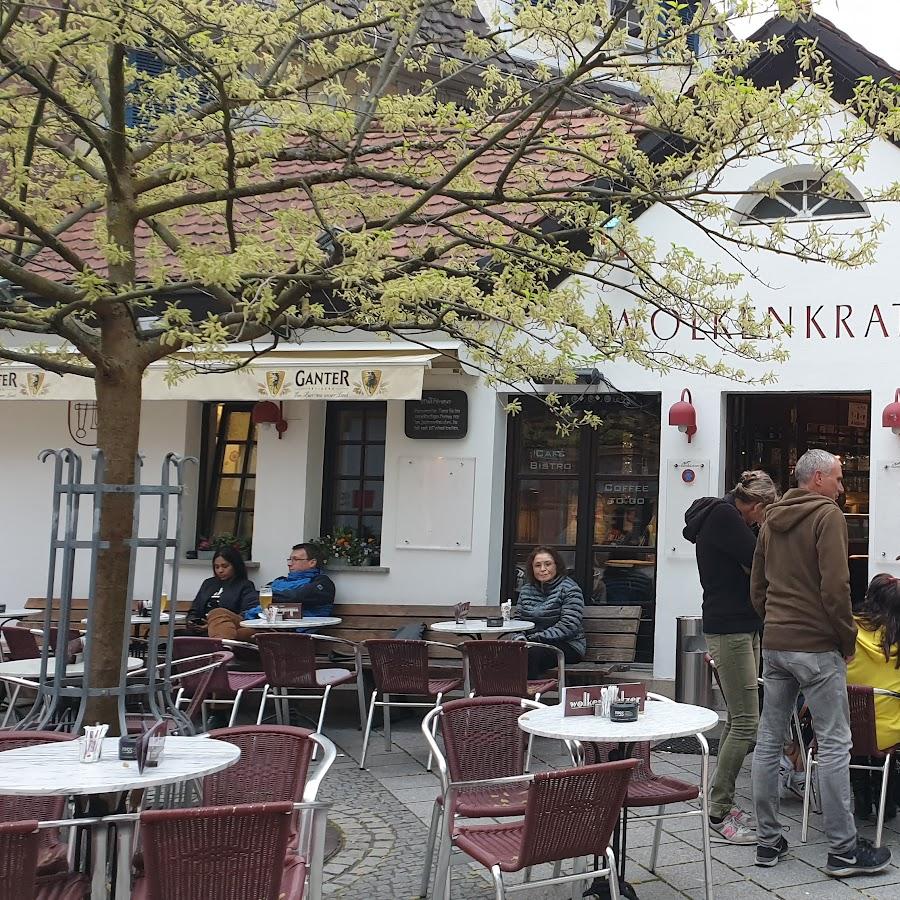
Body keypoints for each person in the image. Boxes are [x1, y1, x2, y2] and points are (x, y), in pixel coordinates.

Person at [750, 448, 891, 877]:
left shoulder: (771, 518)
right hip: (816, 645)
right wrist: (846, 638)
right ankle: (843, 850)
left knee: (769, 739)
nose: (842, 487)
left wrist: (774, 623)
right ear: (817, 479)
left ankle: (767, 841)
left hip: (776, 643)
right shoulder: (827, 515)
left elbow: (757, 586)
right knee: (834, 744)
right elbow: (836, 586)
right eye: (838, 478)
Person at [683, 469, 778, 845]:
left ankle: (721, 798)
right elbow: (763, 560)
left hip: (740, 625)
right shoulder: (724, 516)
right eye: (763, 513)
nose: (760, 521)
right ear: (755, 504)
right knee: (746, 724)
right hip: (731, 629)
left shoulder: (724, 516)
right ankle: (718, 810)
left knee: (739, 720)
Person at [847, 573, 900, 819]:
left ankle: (861, 800)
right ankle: (885, 803)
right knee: (885, 735)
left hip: (846, 727)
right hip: (890, 730)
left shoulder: (848, 629)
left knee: (856, 735)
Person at [514, 546, 585, 678]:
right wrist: (520, 638)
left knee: (532, 655)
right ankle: (495, 690)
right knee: (502, 653)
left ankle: (527, 691)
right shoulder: (526, 590)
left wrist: (535, 639)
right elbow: (518, 620)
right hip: (531, 643)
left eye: (548, 564)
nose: (543, 569)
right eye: (537, 565)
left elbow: (568, 625)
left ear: (556, 565)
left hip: (568, 645)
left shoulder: (570, 589)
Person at [186, 546, 259, 641]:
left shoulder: (244, 585)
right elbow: (194, 610)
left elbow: (249, 613)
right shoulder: (208, 584)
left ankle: (219, 646)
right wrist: (193, 622)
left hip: (230, 625)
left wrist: (212, 624)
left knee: (218, 613)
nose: (220, 570)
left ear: (235, 566)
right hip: (204, 629)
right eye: (216, 567)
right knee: (177, 635)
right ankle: (220, 645)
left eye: (225, 566)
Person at [267, 542, 335, 617]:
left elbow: (295, 597)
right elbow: (260, 595)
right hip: (273, 621)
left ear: (312, 563)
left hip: (306, 623)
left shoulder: (322, 583)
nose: (289, 564)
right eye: (290, 559)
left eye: (295, 559)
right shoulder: (280, 581)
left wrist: (268, 596)